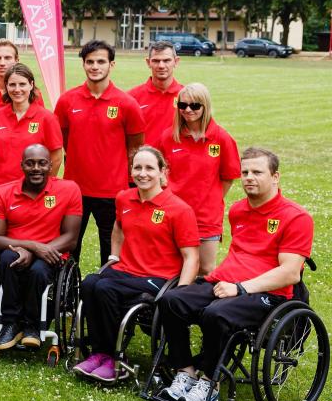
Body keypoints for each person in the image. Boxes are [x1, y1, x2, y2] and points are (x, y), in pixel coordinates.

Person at [155, 148, 313, 401]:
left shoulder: (296, 217)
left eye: (257, 172)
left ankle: (209, 384)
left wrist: (240, 288)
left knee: (216, 315)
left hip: (266, 293)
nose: (249, 177)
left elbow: (290, 273)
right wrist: (228, 283)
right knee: (171, 300)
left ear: (276, 177)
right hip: (225, 283)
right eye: (245, 172)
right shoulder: (238, 210)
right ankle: (185, 372)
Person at [74, 146, 199, 383]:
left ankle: (114, 359)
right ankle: (100, 353)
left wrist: (181, 293)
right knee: (90, 282)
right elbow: (118, 227)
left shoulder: (179, 209)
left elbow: (191, 256)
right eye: (137, 167)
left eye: (150, 168)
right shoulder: (124, 198)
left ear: (163, 172)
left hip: (157, 277)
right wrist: (113, 256)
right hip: (126, 270)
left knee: (104, 288)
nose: (143, 173)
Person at [53, 40, 145, 265]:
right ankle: (68, 296)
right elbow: (62, 138)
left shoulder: (126, 103)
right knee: (69, 246)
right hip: (75, 190)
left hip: (113, 191)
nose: (95, 66)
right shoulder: (67, 101)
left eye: (101, 61)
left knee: (111, 250)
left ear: (111, 65)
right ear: (83, 65)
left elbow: (135, 146)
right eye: (90, 62)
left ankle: (105, 295)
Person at [0, 145, 83, 350]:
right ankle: (10, 324)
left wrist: (39, 251)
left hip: (52, 252)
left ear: (51, 166)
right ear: (22, 165)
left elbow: (71, 238)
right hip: (16, 251)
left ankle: (32, 326)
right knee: (7, 260)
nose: (36, 168)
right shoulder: (2, 192)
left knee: (38, 270)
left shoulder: (69, 189)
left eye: (42, 163)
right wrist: (32, 247)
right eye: (30, 163)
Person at [158, 83, 240, 276]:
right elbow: (160, 173)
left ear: (205, 106)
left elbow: (228, 177)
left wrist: (209, 197)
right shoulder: (168, 137)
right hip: (174, 213)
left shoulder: (221, 138)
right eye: (183, 105)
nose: (188, 110)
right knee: (173, 268)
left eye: (195, 106)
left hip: (206, 216)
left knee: (205, 269)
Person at [0, 64, 63, 187]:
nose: (17, 89)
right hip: (0, 186)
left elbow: (56, 158)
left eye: (22, 84)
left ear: (31, 85)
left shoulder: (47, 118)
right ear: (6, 86)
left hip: (32, 188)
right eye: (12, 85)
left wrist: (43, 184)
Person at [128, 41, 184, 147]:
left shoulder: (187, 97)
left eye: (167, 60)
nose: (161, 65)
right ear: (148, 62)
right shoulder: (131, 97)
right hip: (144, 161)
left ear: (176, 62)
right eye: (156, 61)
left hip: (176, 162)